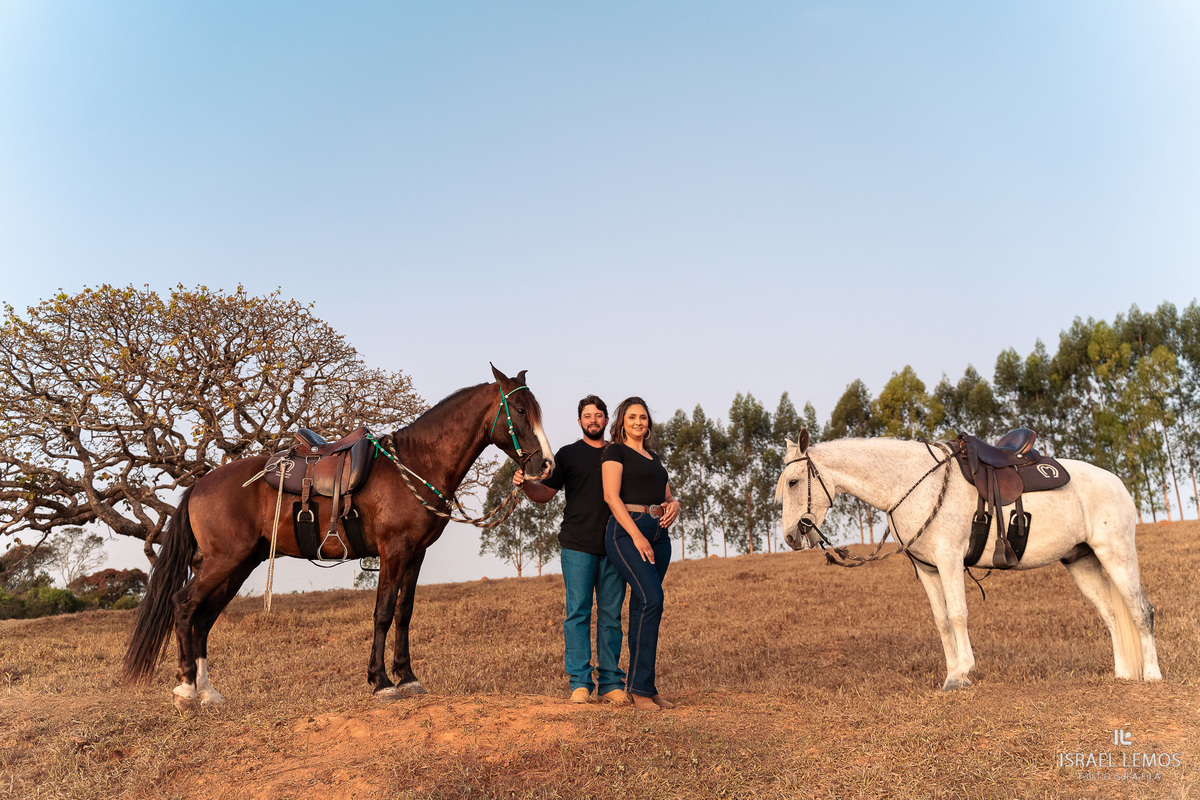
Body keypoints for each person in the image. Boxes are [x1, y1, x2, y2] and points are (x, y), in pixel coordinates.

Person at [514, 395, 629, 705]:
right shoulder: (568, 455)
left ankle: (610, 683)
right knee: (577, 614)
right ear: (579, 422)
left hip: (615, 546)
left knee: (611, 617)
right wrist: (526, 485)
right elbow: (544, 494)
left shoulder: (619, 454)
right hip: (577, 546)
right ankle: (580, 683)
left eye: (598, 415)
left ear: (606, 420)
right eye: (587, 416)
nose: (593, 420)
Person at [601, 396, 680, 712]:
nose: (638, 422)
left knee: (645, 607)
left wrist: (674, 505)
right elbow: (610, 495)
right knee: (653, 598)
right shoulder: (615, 452)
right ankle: (641, 690)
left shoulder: (654, 457)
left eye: (643, 417)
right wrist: (636, 537)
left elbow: (668, 495)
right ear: (622, 422)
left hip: (660, 533)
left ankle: (644, 686)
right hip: (627, 530)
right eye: (632, 417)